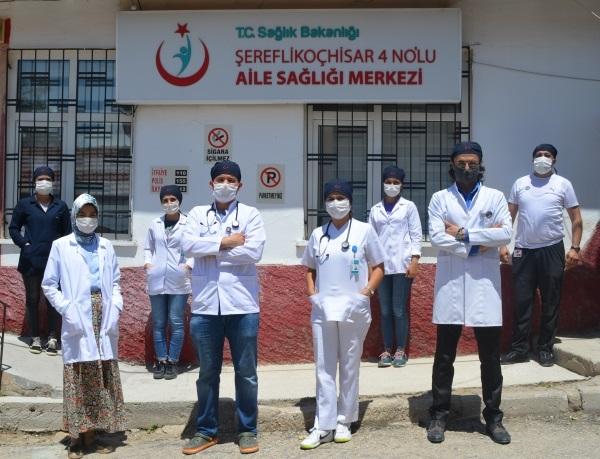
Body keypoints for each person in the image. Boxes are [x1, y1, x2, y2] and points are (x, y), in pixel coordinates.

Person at [426, 141, 512, 445]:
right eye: (461, 163)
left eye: (472, 163)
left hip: (484, 286)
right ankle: (439, 414)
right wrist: (478, 245)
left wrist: (463, 234)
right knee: (444, 356)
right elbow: (436, 236)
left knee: (490, 357)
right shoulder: (440, 198)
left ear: (480, 165)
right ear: (452, 165)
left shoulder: (495, 197)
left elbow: (505, 233)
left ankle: (494, 418)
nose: (466, 168)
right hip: (450, 284)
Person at [179, 160, 265, 455]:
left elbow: (254, 252)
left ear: (240, 185)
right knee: (207, 373)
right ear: (211, 184)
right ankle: (206, 431)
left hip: (242, 306)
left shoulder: (251, 214)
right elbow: (187, 246)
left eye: (231, 180)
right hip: (205, 307)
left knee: (246, 372)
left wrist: (210, 249)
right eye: (220, 179)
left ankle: (247, 430)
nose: (225, 184)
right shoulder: (197, 214)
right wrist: (228, 242)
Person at [300, 179, 385, 450]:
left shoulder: (364, 230)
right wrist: (313, 294)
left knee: (349, 365)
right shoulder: (318, 234)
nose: (336, 203)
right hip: (323, 308)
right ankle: (322, 425)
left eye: (341, 197)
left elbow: (378, 267)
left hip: (353, 308)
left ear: (350, 201)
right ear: (325, 202)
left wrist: (365, 293)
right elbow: (310, 268)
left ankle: (344, 421)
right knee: (323, 367)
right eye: (331, 198)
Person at [42, 194, 126, 458]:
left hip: (103, 312)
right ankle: (78, 436)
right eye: (82, 214)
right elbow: (49, 284)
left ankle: (96, 432)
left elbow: (115, 281)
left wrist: (116, 305)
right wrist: (67, 309)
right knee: (79, 373)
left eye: (92, 214)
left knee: (101, 372)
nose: (87, 219)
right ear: (74, 216)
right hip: (77, 314)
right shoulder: (61, 246)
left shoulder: (106, 246)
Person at [500, 144, 582, 367]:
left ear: (554, 160)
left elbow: (576, 218)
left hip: (552, 249)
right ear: (532, 159)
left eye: (547, 155)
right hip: (523, 250)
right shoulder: (520, 183)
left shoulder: (563, 184)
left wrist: (575, 248)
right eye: (538, 155)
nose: (542, 158)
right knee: (521, 301)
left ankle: (545, 348)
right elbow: (509, 216)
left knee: (551, 301)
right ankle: (519, 349)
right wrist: (502, 244)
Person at [9, 166, 71, 355]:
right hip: (30, 260)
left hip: (55, 262)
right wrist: (25, 244)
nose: (44, 182)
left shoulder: (60, 206)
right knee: (33, 298)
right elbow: (13, 228)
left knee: (53, 300)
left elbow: (67, 233)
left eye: (48, 179)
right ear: (35, 182)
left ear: (53, 182)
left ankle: (52, 337)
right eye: (40, 179)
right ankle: (35, 336)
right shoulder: (25, 204)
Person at [369, 166, 422, 368]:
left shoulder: (409, 207)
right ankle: (386, 350)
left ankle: (400, 350)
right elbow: (370, 239)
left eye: (396, 182)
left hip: (402, 265)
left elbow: (416, 234)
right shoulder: (375, 210)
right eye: (388, 182)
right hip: (381, 267)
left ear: (401, 185)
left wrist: (415, 260)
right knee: (384, 310)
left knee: (398, 310)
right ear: (383, 184)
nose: (392, 185)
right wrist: (371, 266)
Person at [144, 184, 193, 380]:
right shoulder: (154, 223)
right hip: (157, 278)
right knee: (158, 322)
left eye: (173, 199)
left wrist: (189, 265)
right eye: (165, 200)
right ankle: (161, 360)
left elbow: (195, 247)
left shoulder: (188, 224)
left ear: (179, 201)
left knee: (176, 321)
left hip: (179, 280)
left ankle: (173, 361)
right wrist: (148, 263)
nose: (169, 203)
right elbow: (148, 248)